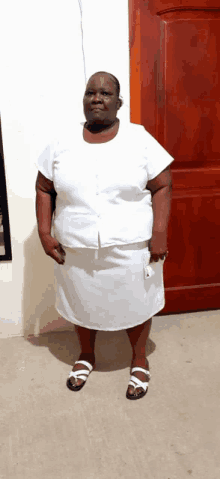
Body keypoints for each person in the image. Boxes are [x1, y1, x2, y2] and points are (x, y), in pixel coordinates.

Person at [35, 71, 174, 400]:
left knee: (136, 303)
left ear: (119, 103)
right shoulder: (60, 143)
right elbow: (43, 187)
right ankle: (86, 355)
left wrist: (159, 233)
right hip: (77, 246)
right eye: (90, 93)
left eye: (106, 93)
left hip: (131, 245)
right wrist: (44, 231)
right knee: (82, 303)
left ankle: (139, 360)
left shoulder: (139, 139)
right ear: (83, 100)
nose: (97, 98)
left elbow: (163, 184)